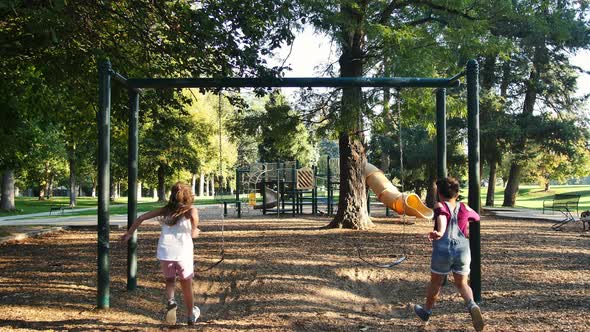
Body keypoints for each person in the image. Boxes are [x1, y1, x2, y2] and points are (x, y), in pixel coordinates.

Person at [121, 182, 201, 326]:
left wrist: (129, 233)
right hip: (183, 252)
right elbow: (194, 221)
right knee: (186, 284)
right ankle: (190, 315)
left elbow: (141, 218)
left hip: (165, 251)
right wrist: (194, 230)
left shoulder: (165, 210)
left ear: (172, 195)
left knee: (170, 281)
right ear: (188, 196)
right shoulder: (191, 210)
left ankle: (171, 301)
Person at [413, 177, 484, 331]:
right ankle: (472, 305)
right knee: (462, 283)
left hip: (443, 249)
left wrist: (439, 232)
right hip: (462, 250)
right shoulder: (465, 207)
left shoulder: (440, 205)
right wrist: (465, 226)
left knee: (436, 283)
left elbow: (442, 218)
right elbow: (476, 217)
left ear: (439, 193)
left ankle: (427, 311)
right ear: (456, 194)